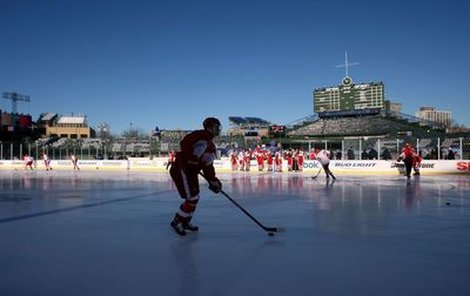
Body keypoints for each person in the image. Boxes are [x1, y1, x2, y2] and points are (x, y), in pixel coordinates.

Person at [169, 117, 222, 236]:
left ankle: (185, 221)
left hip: (190, 172)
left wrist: (213, 180)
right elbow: (184, 143)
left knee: (195, 197)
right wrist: (191, 161)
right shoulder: (201, 135)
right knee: (192, 198)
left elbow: (208, 166)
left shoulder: (211, 146)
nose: (218, 129)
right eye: (217, 127)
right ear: (210, 127)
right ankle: (177, 222)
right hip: (182, 169)